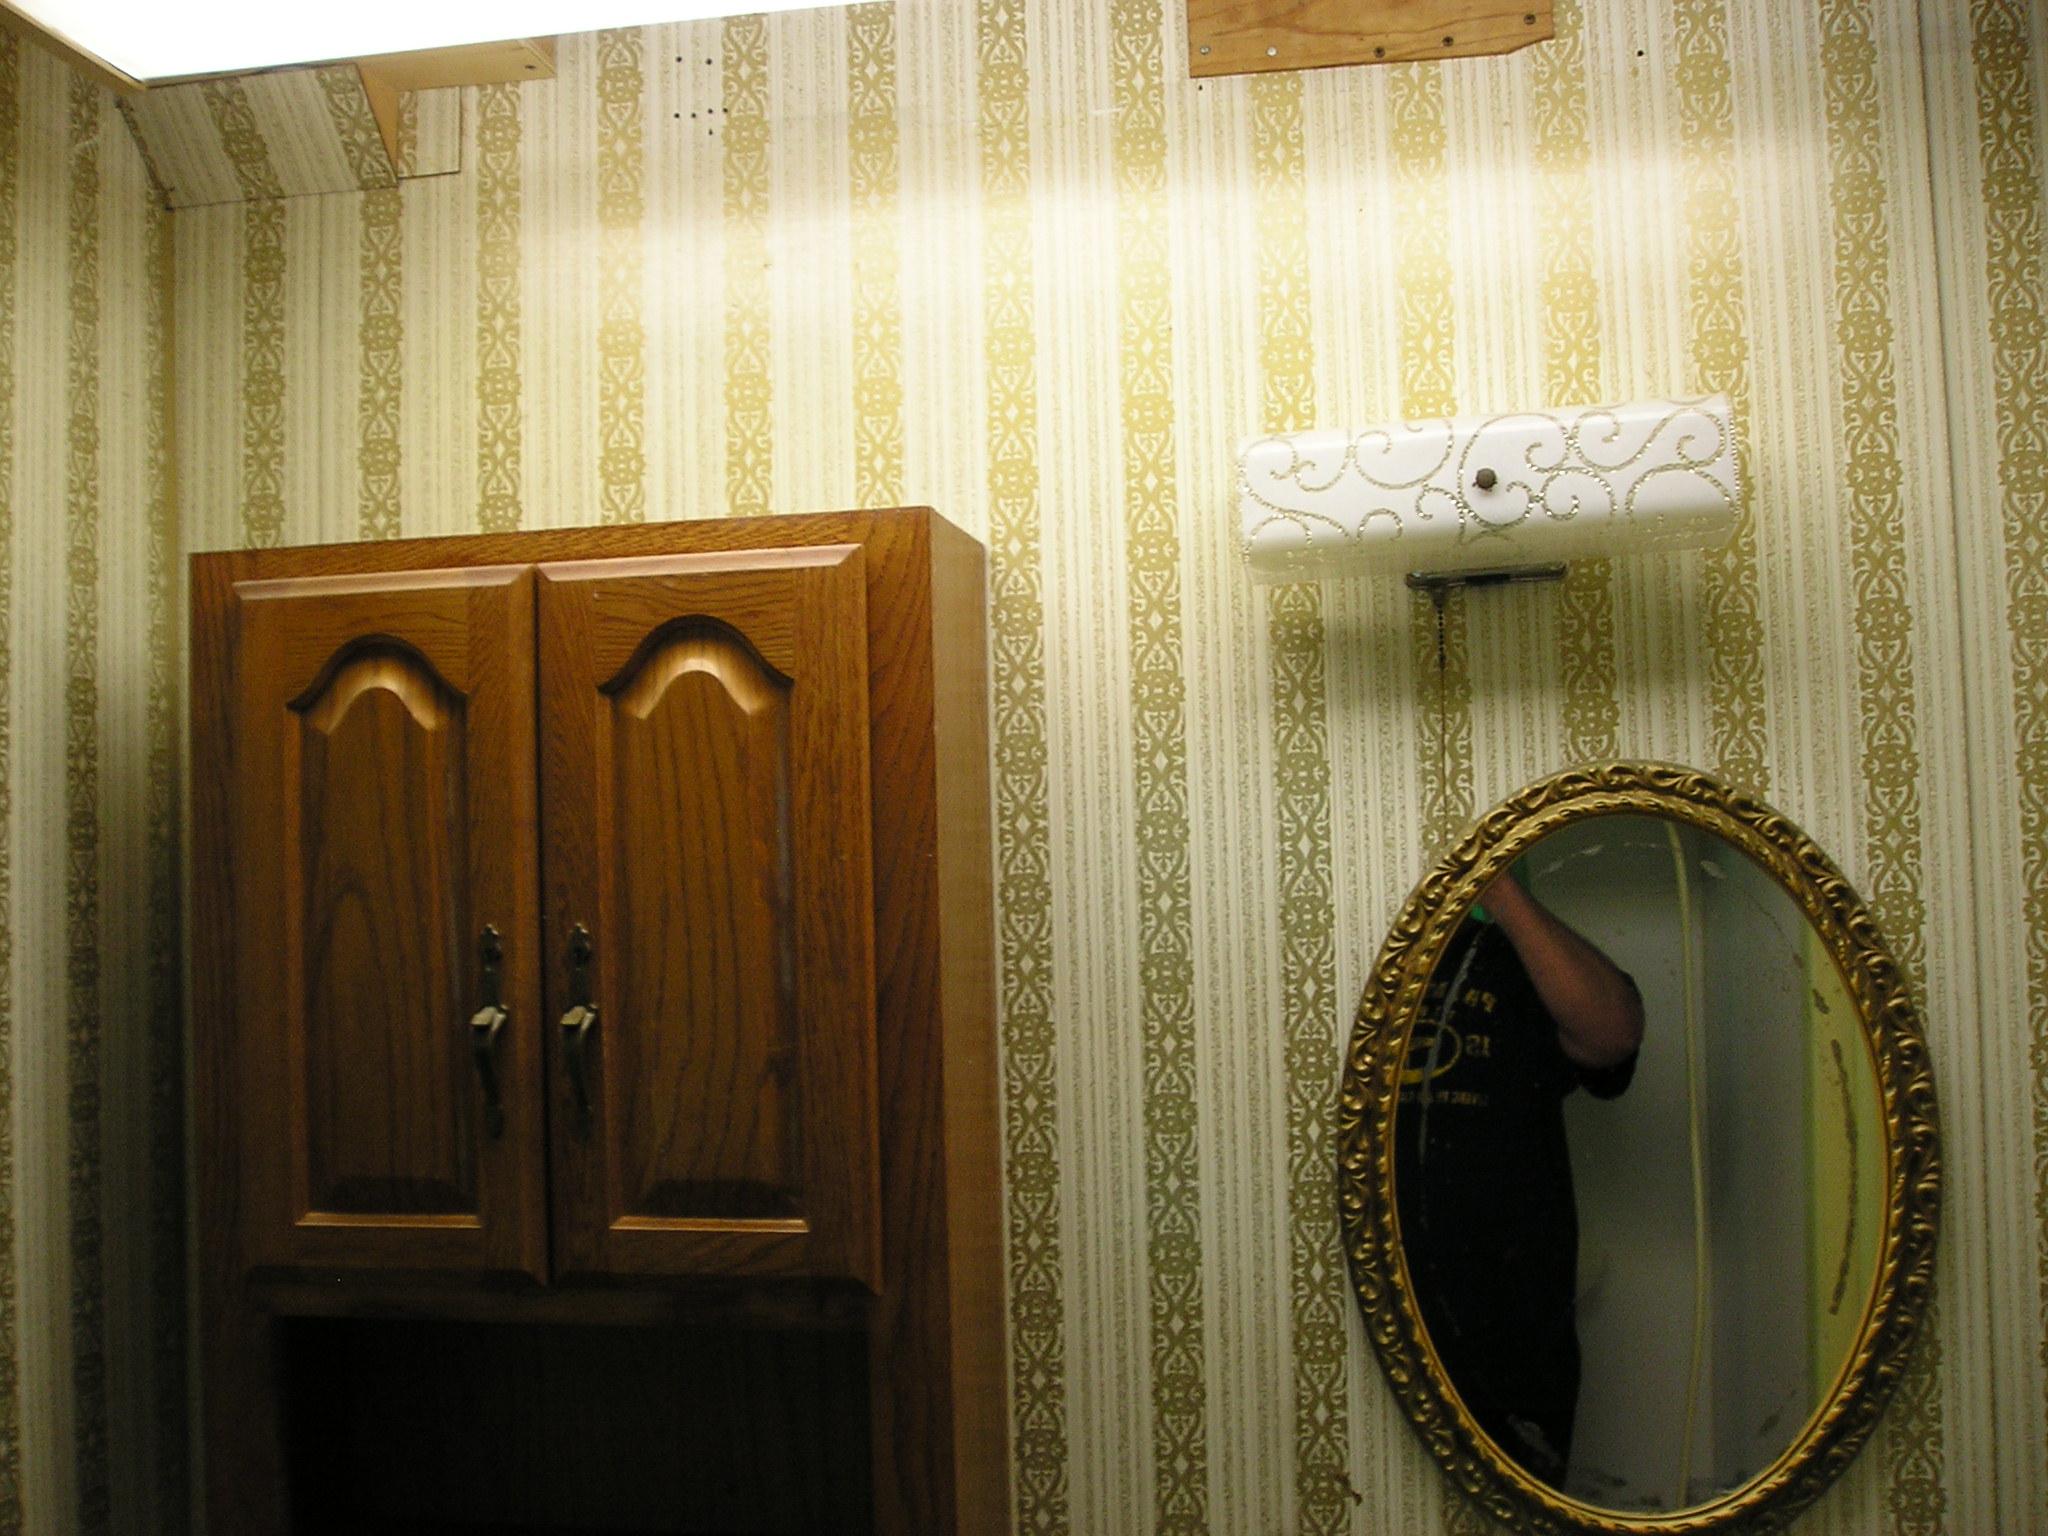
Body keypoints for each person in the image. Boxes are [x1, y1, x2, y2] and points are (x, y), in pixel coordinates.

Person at [1394, 865, 1645, 1489]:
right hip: (1369, 1316)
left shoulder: (1507, 957)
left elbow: (1611, 1032)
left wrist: (1496, 885)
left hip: (1510, 1344)